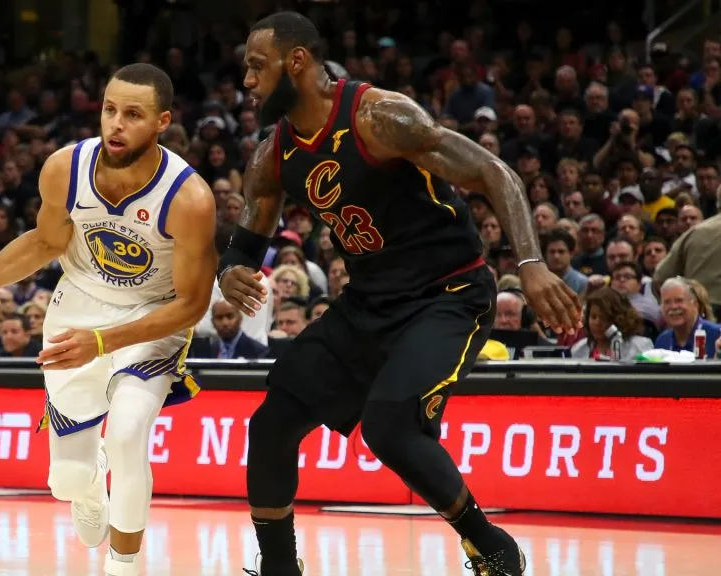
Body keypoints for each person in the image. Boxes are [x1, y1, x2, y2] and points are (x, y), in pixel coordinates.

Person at [219, 12, 581, 576]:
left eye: (257, 66)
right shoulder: (273, 156)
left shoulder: (378, 116)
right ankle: (279, 568)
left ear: (297, 62)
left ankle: (491, 546)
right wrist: (230, 271)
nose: (247, 81)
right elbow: (246, 243)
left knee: (389, 427)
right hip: (368, 304)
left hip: (448, 293)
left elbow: (494, 172)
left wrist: (530, 265)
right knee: (270, 425)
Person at [0, 63, 217, 576]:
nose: (116, 123)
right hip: (77, 306)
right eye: (109, 109)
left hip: (152, 315)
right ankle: (89, 480)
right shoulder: (64, 168)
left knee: (127, 433)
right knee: (65, 481)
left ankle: (123, 565)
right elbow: (45, 242)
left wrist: (103, 341)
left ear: (162, 122)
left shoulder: (189, 199)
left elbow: (191, 306)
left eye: (133, 114)